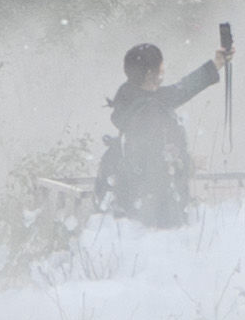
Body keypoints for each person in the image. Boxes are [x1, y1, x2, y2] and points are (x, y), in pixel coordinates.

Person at [98, 30, 230, 226]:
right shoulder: (149, 111)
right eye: (161, 66)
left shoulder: (132, 97)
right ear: (151, 73)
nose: (164, 69)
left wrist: (216, 65)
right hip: (157, 213)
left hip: (136, 204)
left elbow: (181, 89)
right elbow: (157, 162)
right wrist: (189, 163)